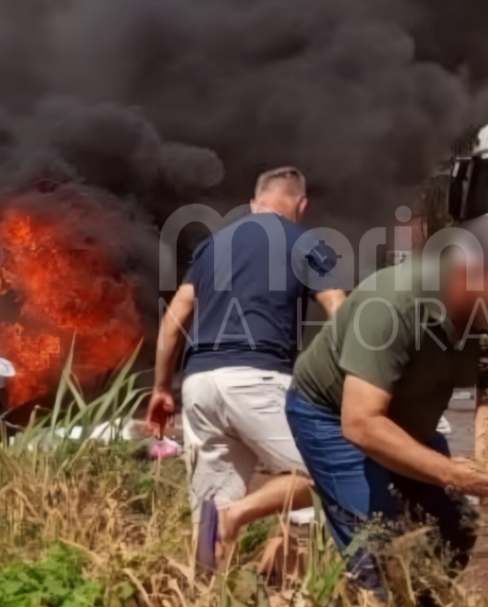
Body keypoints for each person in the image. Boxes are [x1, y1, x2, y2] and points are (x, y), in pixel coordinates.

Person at [147, 166, 347, 567]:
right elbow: (340, 313)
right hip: (258, 377)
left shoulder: (212, 247)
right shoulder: (308, 242)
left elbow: (172, 324)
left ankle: (203, 591)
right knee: (331, 476)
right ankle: (244, 522)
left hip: (199, 384)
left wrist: (161, 389)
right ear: (301, 204)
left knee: (208, 514)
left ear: (254, 204)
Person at [286, 247, 488, 592]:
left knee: (456, 528)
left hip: (405, 418)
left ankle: (419, 598)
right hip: (332, 413)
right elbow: (361, 424)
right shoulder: (393, 304)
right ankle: (374, 594)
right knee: (379, 546)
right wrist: (453, 472)